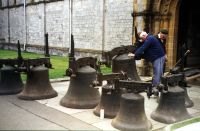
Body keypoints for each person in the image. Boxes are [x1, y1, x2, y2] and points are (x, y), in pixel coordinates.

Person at [128, 31, 165, 96]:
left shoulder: (150, 38)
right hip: (156, 57)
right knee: (158, 72)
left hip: (158, 57)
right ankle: (158, 85)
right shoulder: (149, 39)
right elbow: (144, 50)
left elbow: (143, 47)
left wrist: (135, 54)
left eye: (142, 38)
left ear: (144, 36)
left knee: (157, 72)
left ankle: (155, 87)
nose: (142, 40)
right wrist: (137, 53)